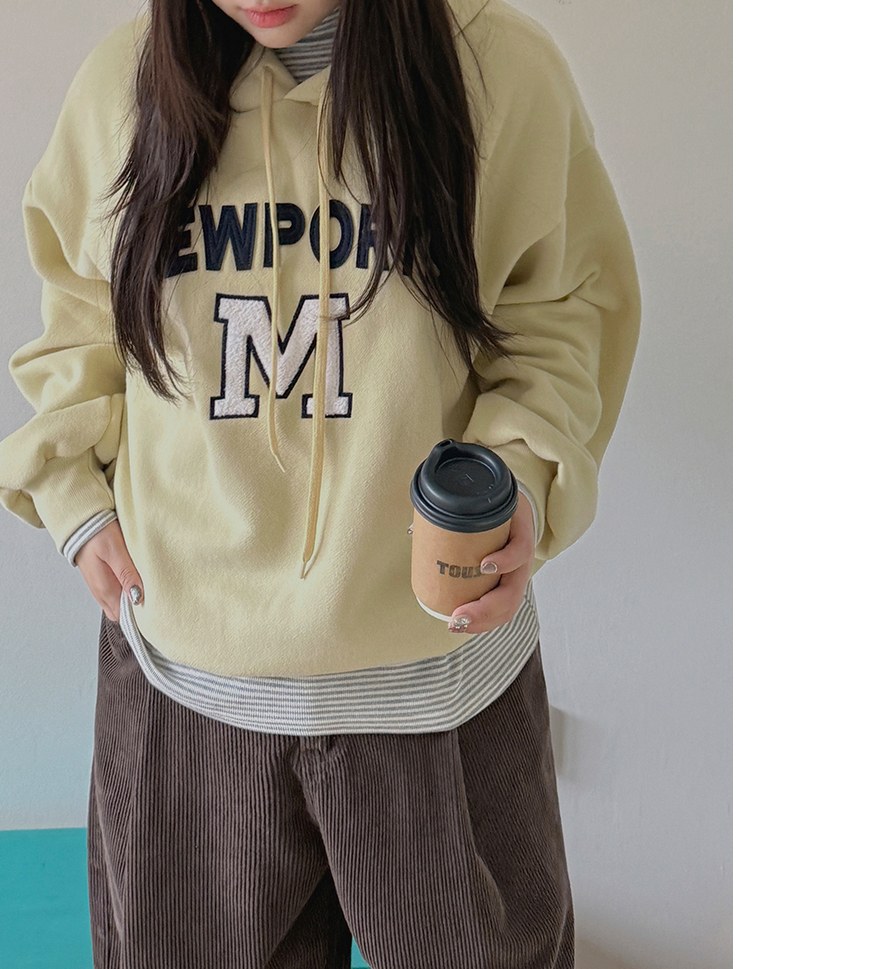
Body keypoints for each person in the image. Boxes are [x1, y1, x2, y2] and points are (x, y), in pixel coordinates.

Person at [0, 0, 640, 965]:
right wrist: (76, 502)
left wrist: (515, 477)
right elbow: (83, 314)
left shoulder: (498, 70)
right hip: (189, 678)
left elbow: (562, 312)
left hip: (433, 678)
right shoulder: (121, 88)